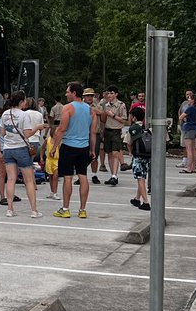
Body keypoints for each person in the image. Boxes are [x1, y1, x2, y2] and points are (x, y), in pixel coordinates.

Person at [52, 81, 97, 219]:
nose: (66, 94)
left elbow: (62, 129)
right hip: (84, 147)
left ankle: (65, 208)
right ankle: (82, 210)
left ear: (74, 93)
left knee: (68, 177)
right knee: (83, 176)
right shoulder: (90, 110)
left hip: (69, 147)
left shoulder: (68, 108)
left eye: (67, 92)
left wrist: (54, 147)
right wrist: (92, 150)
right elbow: (93, 132)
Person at [0, 90, 44, 218]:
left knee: (11, 179)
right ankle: (34, 211)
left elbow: (2, 133)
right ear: (21, 102)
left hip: (8, 149)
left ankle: (10, 209)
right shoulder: (24, 115)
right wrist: (38, 127)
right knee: (29, 180)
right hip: (21, 149)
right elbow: (28, 133)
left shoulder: (5, 114)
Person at [98, 87, 128, 185]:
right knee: (109, 154)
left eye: (111, 93)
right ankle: (112, 176)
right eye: (108, 93)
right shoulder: (105, 105)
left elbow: (124, 120)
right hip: (107, 130)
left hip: (116, 131)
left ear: (116, 94)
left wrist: (113, 115)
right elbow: (103, 120)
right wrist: (103, 113)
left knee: (115, 153)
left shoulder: (121, 105)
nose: (109, 95)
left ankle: (114, 175)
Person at [127, 105, 152, 211]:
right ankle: (137, 198)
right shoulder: (148, 129)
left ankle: (146, 202)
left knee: (139, 178)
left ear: (134, 118)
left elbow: (129, 142)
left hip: (137, 156)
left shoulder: (133, 128)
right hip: (147, 156)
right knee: (142, 177)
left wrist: (130, 152)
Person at [179, 91, 196, 173]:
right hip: (195, 128)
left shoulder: (190, 108)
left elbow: (181, 117)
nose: (188, 100)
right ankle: (193, 167)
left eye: (189, 99)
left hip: (188, 128)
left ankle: (188, 168)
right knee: (193, 149)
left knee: (189, 149)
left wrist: (185, 118)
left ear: (193, 100)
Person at [25, 98, 46, 164]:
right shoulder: (39, 114)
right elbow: (42, 127)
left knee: (24, 161)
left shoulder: (24, 114)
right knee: (31, 160)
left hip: (25, 139)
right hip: (35, 139)